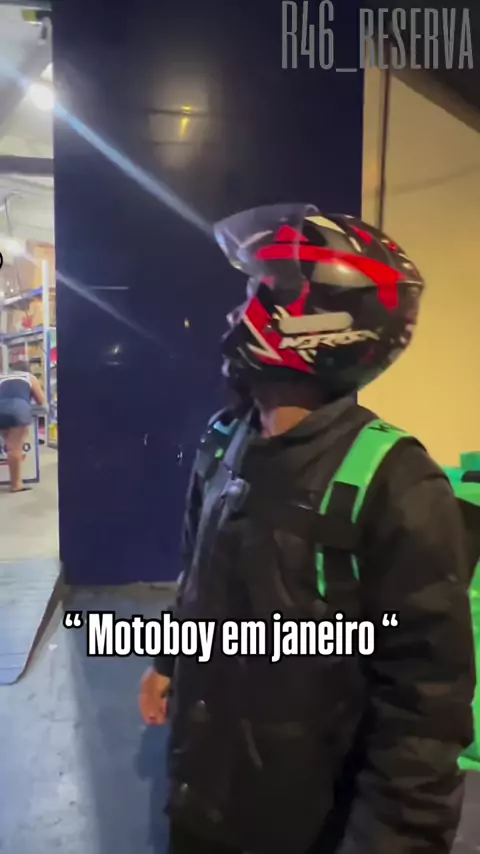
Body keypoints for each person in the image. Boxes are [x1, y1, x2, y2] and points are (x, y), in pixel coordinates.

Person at [139, 204, 475, 854]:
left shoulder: (397, 486)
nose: (236, 313)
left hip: (303, 825)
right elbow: (198, 578)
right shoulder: (224, 439)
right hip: (201, 794)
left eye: (256, 294)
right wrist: (168, 660)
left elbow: (424, 712)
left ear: (312, 326)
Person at [0, 359, 45, 492]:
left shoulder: (2, 378)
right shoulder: (29, 377)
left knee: (8, 446)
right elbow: (41, 401)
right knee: (15, 448)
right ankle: (16, 485)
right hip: (17, 410)